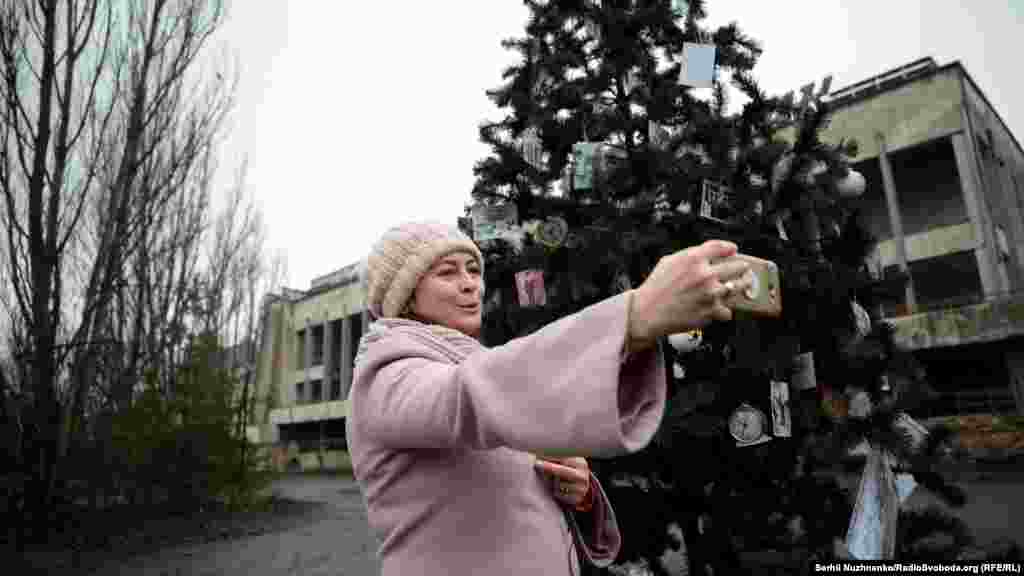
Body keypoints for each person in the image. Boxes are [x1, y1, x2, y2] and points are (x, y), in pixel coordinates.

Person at [346, 221, 752, 576]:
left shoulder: (482, 366)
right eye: (447, 273)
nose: (471, 283)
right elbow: (465, 397)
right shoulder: (385, 373)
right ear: (404, 295)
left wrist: (580, 493)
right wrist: (635, 317)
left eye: (473, 268)